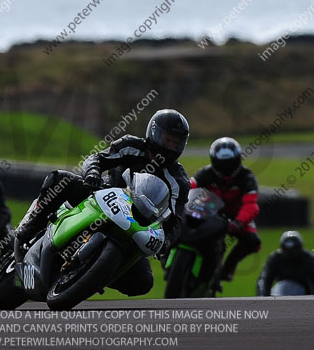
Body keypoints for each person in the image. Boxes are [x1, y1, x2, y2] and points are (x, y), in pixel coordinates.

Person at [14, 109, 191, 297]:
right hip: (99, 197)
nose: (170, 145)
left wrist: (166, 242)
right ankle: (25, 231)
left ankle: (93, 274)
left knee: (143, 282)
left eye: (175, 142)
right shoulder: (131, 145)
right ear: (154, 133)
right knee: (59, 180)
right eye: (166, 139)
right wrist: (92, 174)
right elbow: (97, 158)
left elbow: (176, 219)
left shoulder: (179, 181)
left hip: (135, 226)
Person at [191, 137, 260, 283]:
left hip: (237, 215)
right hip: (210, 211)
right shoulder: (206, 173)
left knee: (253, 241)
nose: (226, 169)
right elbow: (189, 187)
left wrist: (238, 223)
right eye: (222, 164)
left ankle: (228, 268)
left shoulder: (246, 177)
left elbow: (251, 205)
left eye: (230, 164)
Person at [256, 231, 314, 296]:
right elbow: (264, 281)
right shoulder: (275, 258)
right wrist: (263, 298)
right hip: (279, 295)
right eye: (287, 251)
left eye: (293, 251)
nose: (290, 254)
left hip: (304, 298)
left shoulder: (309, 258)